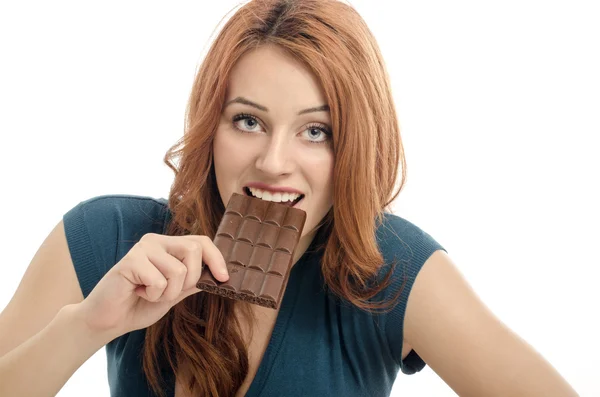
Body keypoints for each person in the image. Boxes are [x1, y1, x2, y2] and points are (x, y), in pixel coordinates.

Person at [0, 0, 579, 396]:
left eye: (315, 131)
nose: (274, 162)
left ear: (355, 146)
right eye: (248, 120)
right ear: (211, 126)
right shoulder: (110, 237)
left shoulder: (392, 268)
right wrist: (85, 327)